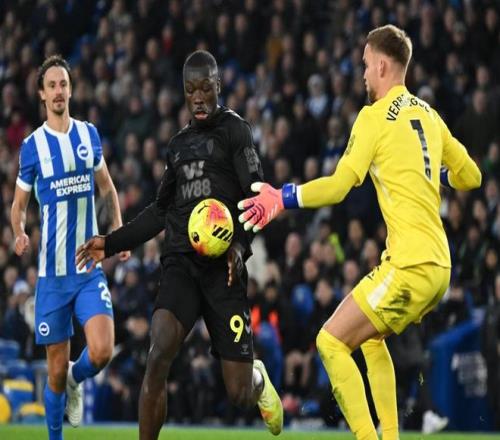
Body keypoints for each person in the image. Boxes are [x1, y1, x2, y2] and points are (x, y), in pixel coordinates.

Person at [238, 24, 482, 439]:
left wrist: (283, 197)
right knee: (370, 339)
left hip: (409, 265)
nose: (364, 74)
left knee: (330, 342)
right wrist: (435, 170)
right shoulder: (428, 114)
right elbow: (472, 177)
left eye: (367, 65)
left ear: (383, 66)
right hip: (440, 267)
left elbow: (338, 186)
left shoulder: (373, 118)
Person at [76, 50, 283, 439]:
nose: (199, 97)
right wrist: (111, 243)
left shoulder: (235, 131)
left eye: (205, 88)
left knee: (239, 393)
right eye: (191, 90)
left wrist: (239, 247)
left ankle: (258, 379)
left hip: (224, 270)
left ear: (218, 86)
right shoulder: (178, 145)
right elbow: (160, 211)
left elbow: (257, 198)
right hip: (181, 265)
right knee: (158, 352)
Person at [10, 55, 130, 440]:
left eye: (64, 84)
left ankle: (80, 378)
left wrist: (117, 231)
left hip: (87, 269)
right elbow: (18, 205)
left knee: (102, 351)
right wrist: (18, 232)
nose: (59, 91)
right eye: (52, 86)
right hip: (52, 277)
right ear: (42, 95)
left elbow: (107, 188)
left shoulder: (88, 135)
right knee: (55, 373)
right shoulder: (32, 147)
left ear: (71, 90)